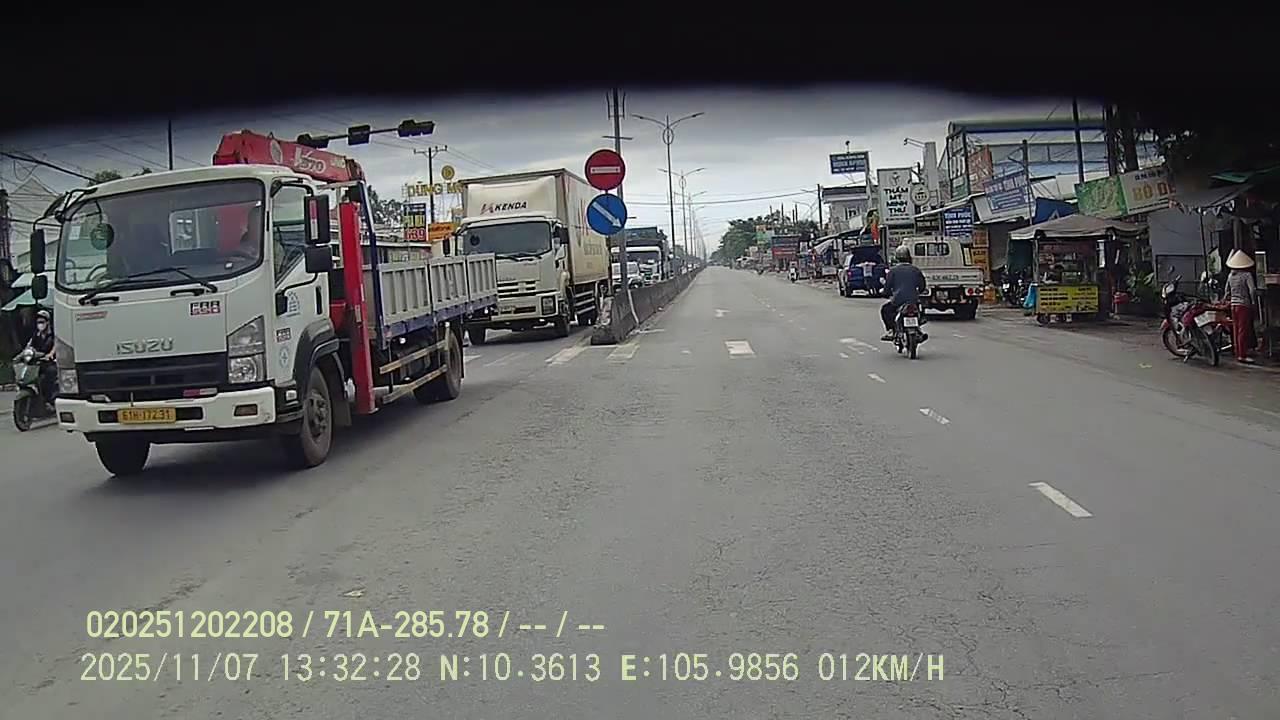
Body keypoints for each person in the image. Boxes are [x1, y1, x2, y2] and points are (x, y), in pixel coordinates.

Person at [880, 244, 928, 342]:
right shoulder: (915, 270)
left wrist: (885, 293)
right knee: (920, 308)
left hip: (898, 300)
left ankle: (891, 330)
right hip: (913, 300)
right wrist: (918, 293)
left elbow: (887, 288)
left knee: (885, 310)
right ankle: (919, 326)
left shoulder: (893, 271)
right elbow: (922, 286)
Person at [1225, 249, 1258, 363]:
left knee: (1236, 329)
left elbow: (1227, 291)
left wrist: (1227, 299)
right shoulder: (1247, 275)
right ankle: (1242, 355)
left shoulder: (1230, 275)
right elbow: (1252, 290)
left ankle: (1237, 351)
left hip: (1233, 305)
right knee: (1243, 330)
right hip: (1244, 305)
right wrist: (1253, 302)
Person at [25, 308, 57, 400]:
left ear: (47, 322)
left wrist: (50, 354)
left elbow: (56, 345)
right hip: (38, 361)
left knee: (49, 374)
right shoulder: (36, 334)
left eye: (42, 322)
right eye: (38, 322)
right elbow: (29, 345)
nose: (40, 324)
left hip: (51, 362)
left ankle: (49, 399)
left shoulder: (53, 334)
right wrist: (25, 353)